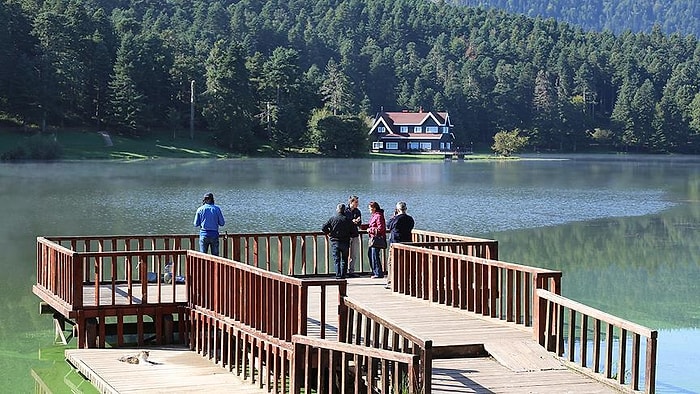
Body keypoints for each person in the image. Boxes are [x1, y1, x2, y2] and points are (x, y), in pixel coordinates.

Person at [322, 203, 356, 279]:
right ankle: (343, 275)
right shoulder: (348, 220)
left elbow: (323, 227)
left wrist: (329, 233)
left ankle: (338, 275)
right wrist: (349, 235)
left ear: (337, 210)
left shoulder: (332, 219)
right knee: (344, 260)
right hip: (345, 242)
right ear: (344, 210)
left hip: (335, 242)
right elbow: (354, 232)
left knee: (336, 260)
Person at [386, 201, 414, 289]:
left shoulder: (396, 219)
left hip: (396, 243)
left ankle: (392, 282)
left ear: (397, 209)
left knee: (392, 263)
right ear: (406, 209)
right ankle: (406, 281)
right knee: (406, 263)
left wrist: (394, 216)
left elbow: (389, 226)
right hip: (408, 243)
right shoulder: (410, 219)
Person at [366, 201, 386, 279]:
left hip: (376, 239)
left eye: (370, 208)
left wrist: (370, 230)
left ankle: (378, 273)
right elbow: (373, 225)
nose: (369, 210)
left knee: (374, 256)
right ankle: (375, 272)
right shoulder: (374, 215)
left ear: (374, 208)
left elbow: (381, 228)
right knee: (370, 255)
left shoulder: (378, 216)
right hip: (372, 239)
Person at [344, 195, 362, 276]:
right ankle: (343, 271)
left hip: (355, 234)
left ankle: (351, 271)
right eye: (356, 202)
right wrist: (352, 221)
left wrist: (357, 221)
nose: (357, 204)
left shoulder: (357, 211)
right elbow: (343, 222)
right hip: (346, 235)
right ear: (351, 202)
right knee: (345, 254)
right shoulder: (345, 211)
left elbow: (359, 224)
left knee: (353, 254)